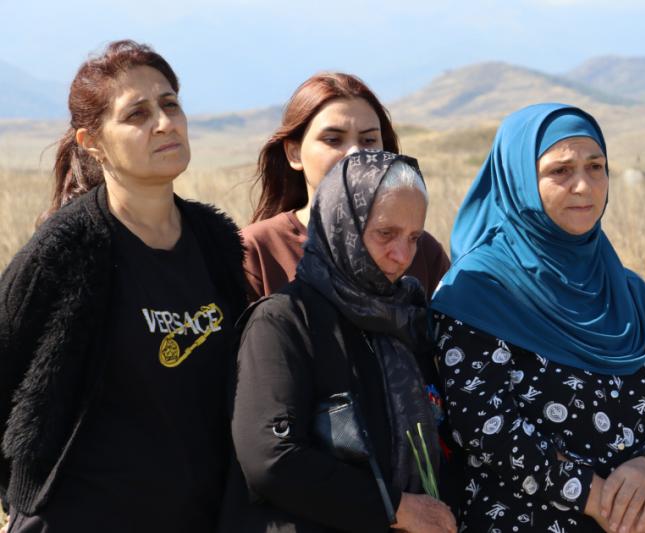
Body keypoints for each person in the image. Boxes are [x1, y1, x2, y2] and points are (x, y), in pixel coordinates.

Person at [0, 40, 247, 532]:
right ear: (91, 141)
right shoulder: (66, 250)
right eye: (137, 114)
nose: (164, 123)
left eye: (170, 104)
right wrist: (22, 492)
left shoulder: (215, 240)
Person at [430, 103, 645, 533]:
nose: (583, 186)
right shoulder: (478, 289)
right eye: (560, 171)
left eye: (596, 167)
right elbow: (485, 428)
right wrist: (599, 500)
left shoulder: (630, 294)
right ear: (520, 179)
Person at [221, 151, 456, 533]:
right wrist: (395, 508)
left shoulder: (408, 319)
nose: (402, 256)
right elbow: (272, 459)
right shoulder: (284, 321)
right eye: (385, 233)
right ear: (340, 225)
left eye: (414, 237)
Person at [241, 72, 449, 301]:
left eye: (368, 140)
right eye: (333, 140)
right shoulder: (256, 251)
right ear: (294, 153)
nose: (354, 153)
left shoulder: (423, 252)